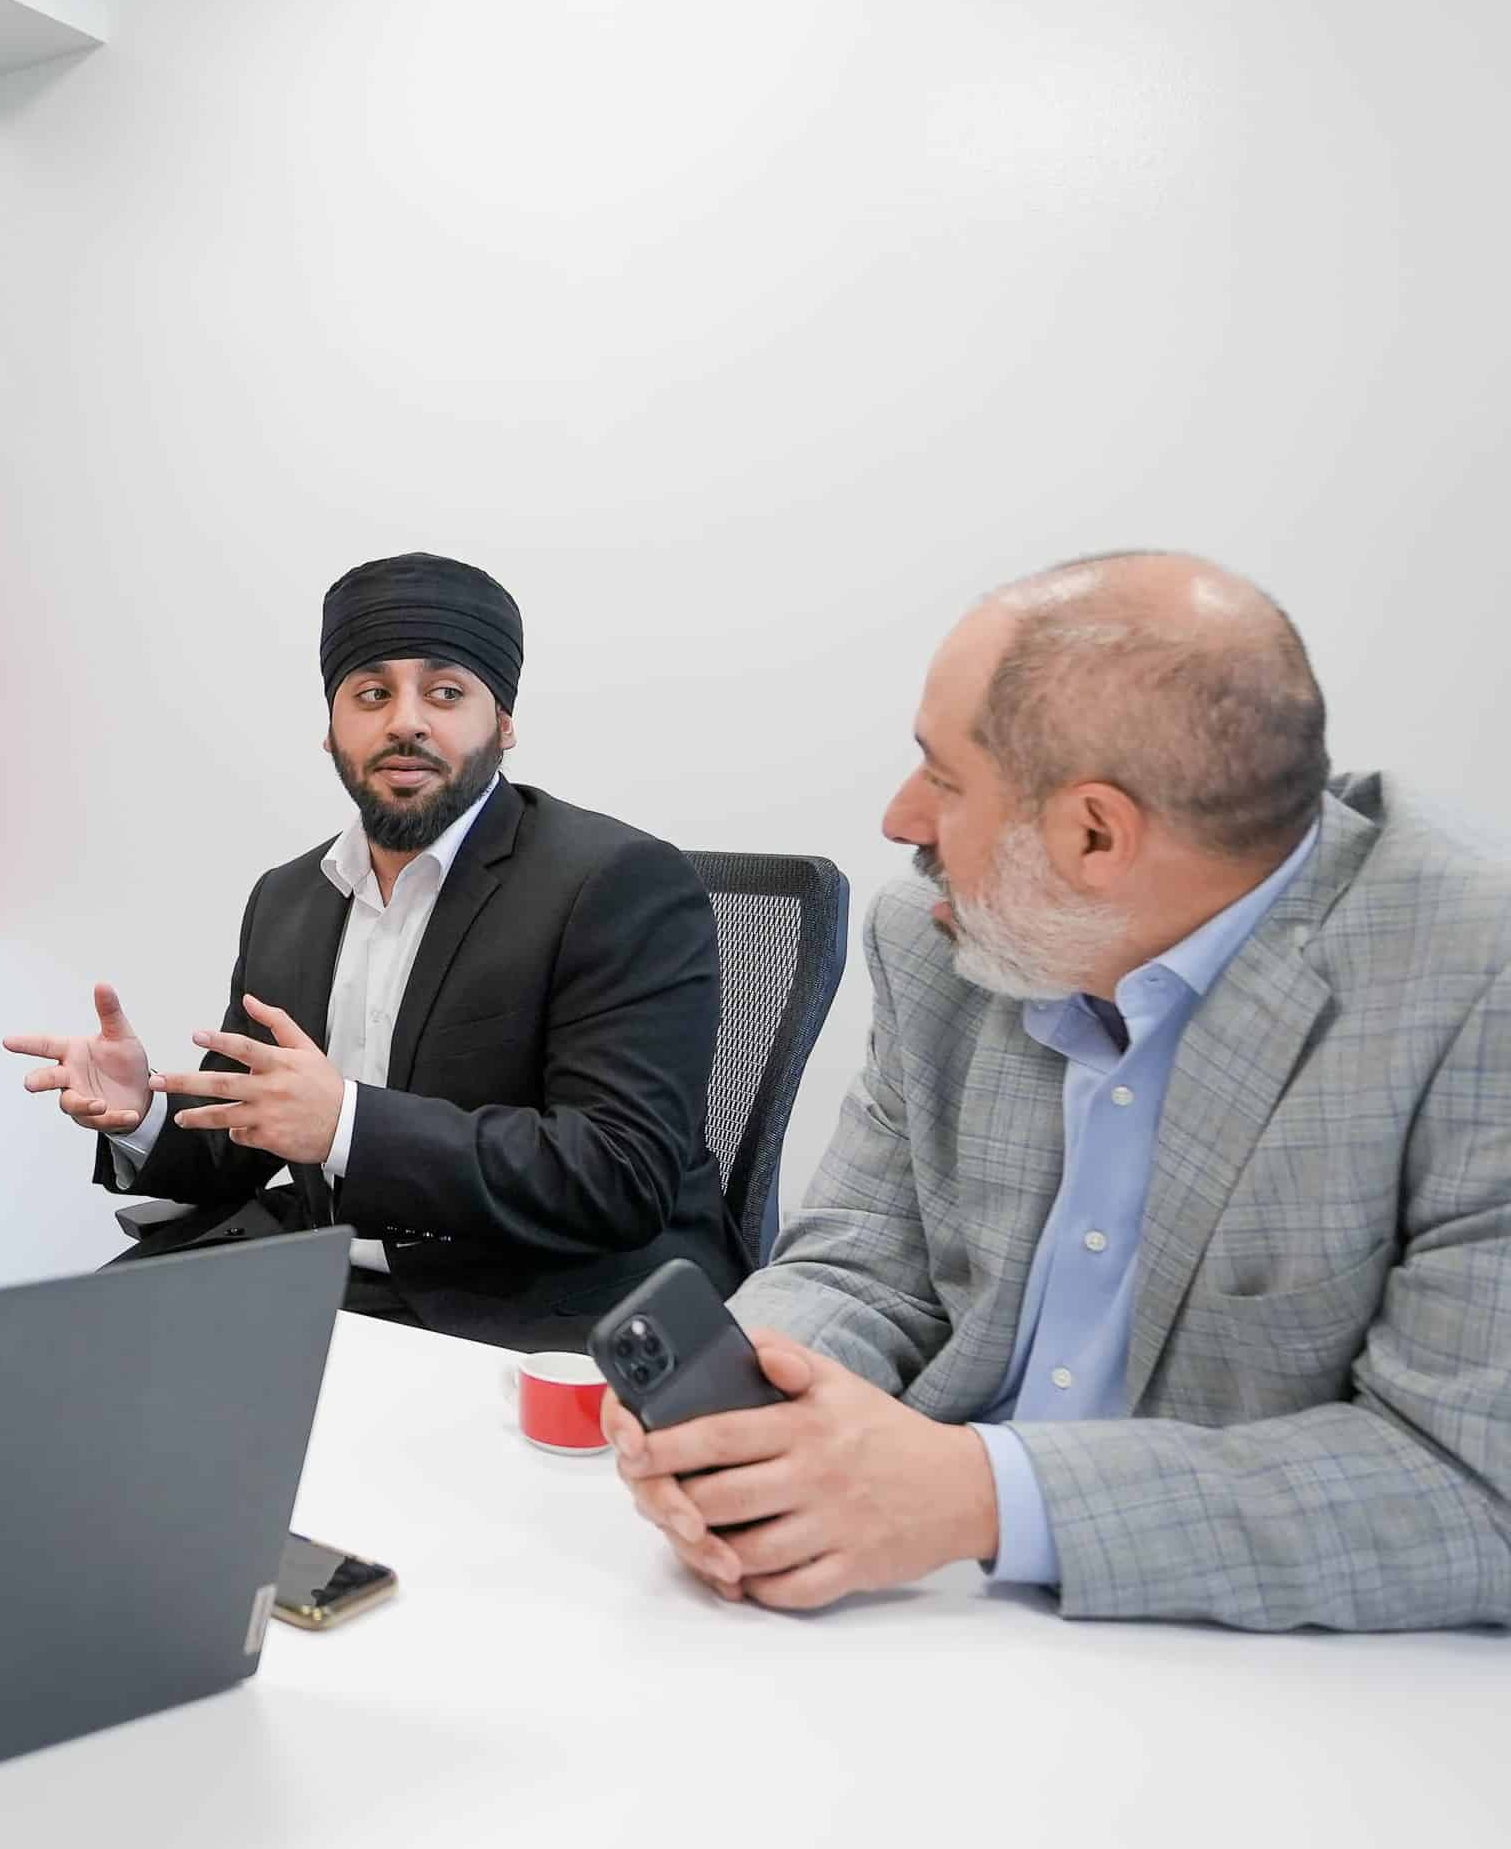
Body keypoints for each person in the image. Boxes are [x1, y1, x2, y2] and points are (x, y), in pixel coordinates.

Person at [611, 551, 1511, 1631]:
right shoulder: (941, 942)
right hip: (911, 1621)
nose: (901, 822)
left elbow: (1470, 1488)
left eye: (942, 780)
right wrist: (748, 1410)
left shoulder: (1471, 982)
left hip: (1261, 1679)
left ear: (1094, 833)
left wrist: (983, 1495)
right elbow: (862, 1255)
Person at [6, 552, 749, 1344]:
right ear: (331, 731)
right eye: (371, 694)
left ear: (504, 722)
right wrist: (141, 1114)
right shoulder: (288, 898)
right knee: (57, 1374)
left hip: (538, 1297)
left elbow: (619, 1174)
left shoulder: (617, 882)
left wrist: (348, 1125)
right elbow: (246, 1138)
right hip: (326, 1280)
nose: (405, 721)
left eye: (446, 692)